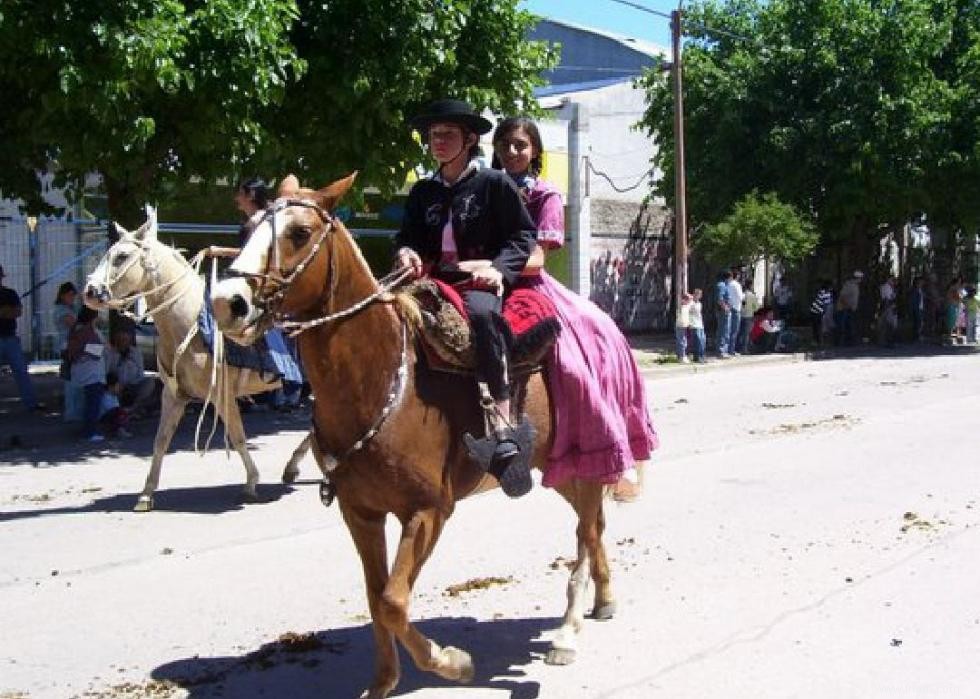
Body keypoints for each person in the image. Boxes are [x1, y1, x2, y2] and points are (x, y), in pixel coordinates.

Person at [491, 115, 658, 501]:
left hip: (528, 283)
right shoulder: (483, 190)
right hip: (480, 279)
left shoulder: (544, 195)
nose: (512, 152)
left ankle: (574, 436)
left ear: (534, 151)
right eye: (505, 146)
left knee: (572, 362)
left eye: (520, 145)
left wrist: (493, 267)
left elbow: (536, 259)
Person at [394, 100, 538, 493]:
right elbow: (409, 238)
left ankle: (502, 423)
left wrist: (499, 269)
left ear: (470, 139)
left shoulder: (494, 183)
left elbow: (523, 235)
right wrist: (406, 251)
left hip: (479, 281)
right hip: (434, 279)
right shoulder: (423, 191)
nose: (437, 142)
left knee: (483, 316)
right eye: (433, 135)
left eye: (447, 135)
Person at [0, 264, 41, 412]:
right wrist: (6, 312)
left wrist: (5, 312)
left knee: (22, 372)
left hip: (10, 338)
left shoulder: (10, 293)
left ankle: (31, 404)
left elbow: (18, 312)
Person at [66, 306, 107, 442]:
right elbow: (94, 350)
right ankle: (90, 432)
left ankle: (88, 430)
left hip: (86, 371)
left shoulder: (77, 329)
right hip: (90, 372)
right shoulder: (86, 331)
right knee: (92, 403)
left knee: (89, 402)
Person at [104, 327, 159, 419]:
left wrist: (130, 361)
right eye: (120, 340)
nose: (123, 343)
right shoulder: (110, 353)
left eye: (125, 340)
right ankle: (120, 411)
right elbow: (108, 371)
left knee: (149, 382)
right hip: (117, 385)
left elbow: (140, 372)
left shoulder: (135, 352)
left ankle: (133, 409)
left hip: (133, 383)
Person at [99, 372, 132, 438]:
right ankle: (119, 431)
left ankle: (120, 430)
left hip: (112, 418)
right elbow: (112, 410)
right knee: (119, 412)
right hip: (104, 420)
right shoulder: (105, 397)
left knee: (123, 412)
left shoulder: (114, 396)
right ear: (111, 387)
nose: (119, 387)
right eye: (117, 385)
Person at [835, 271, 863, 345]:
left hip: (850, 309)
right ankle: (840, 342)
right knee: (842, 326)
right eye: (860, 278)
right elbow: (842, 296)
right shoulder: (849, 285)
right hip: (844, 308)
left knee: (849, 325)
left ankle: (848, 341)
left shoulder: (855, 286)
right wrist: (847, 305)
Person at [714, 271, 733, 358]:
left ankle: (724, 350)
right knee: (723, 330)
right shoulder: (721, 285)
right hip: (723, 312)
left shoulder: (724, 285)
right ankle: (721, 351)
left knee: (726, 330)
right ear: (728, 277)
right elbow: (720, 299)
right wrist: (725, 308)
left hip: (725, 310)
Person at [737, 278, 759, 353]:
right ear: (751, 285)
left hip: (740, 315)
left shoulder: (742, 294)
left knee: (739, 332)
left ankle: (736, 348)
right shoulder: (752, 296)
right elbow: (756, 307)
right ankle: (744, 349)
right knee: (746, 334)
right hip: (749, 315)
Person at [726, 268, 744, 356]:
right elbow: (741, 297)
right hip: (736, 308)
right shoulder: (737, 285)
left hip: (729, 307)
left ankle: (727, 349)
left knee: (728, 329)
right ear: (737, 276)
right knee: (734, 330)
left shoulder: (727, 284)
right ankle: (731, 350)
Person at [809, 280, 833, 345]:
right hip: (819, 312)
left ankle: (815, 341)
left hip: (813, 310)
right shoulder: (827, 293)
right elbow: (826, 305)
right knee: (820, 327)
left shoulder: (820, 292)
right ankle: (820, 342)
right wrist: (824, 314)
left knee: (815, 327)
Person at [878, 276, 898, 347]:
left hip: (888, 306)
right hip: (888, 307)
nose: (894, 282)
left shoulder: (889, 287)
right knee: (889, 324)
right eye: (893, 280)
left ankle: (885, 341)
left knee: (886, 325)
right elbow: (888, 298)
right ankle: (888, 341)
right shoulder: (886, 287)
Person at [945, 276, 964, 344]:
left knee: (958, 321)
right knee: (951, 320)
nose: (959, 283)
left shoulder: (960, 288)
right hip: (952, 305)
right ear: (955, 282)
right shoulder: (951, 288)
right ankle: (949, 335)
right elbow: (949, 296)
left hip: (958, 306)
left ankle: (958, 335)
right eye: (958, 281)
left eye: (960, 281)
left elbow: (962, 297)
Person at [689, 288, 706, 363]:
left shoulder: (699, 304)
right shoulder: (691, 303)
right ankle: (697, 357)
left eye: (700, 295)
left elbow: (699, 314)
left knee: (702, 341)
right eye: (697, 294)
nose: (698, 296)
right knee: (697, 341)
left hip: (700, 324)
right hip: (694, 324)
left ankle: (702, 356)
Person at [675, 292, 692, 363]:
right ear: (684, 300)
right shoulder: (681, 307)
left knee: (684, 341)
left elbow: (691, 302)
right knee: (681, 341)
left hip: (685, 326)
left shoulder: (687, 306)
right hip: (680, 326)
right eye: (687, 300)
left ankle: (682, 355)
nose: (689, 301)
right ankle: (681, 356)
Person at [910, 276, 926, 342]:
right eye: (921, 281)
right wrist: (913, 309)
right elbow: (913, 301)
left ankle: (917, 336)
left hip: (921, 308)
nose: (922, 283)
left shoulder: (920, 289)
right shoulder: (914, 290)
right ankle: (916, 337)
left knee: (920, 322)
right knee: (918, 323)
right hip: (917, 309)